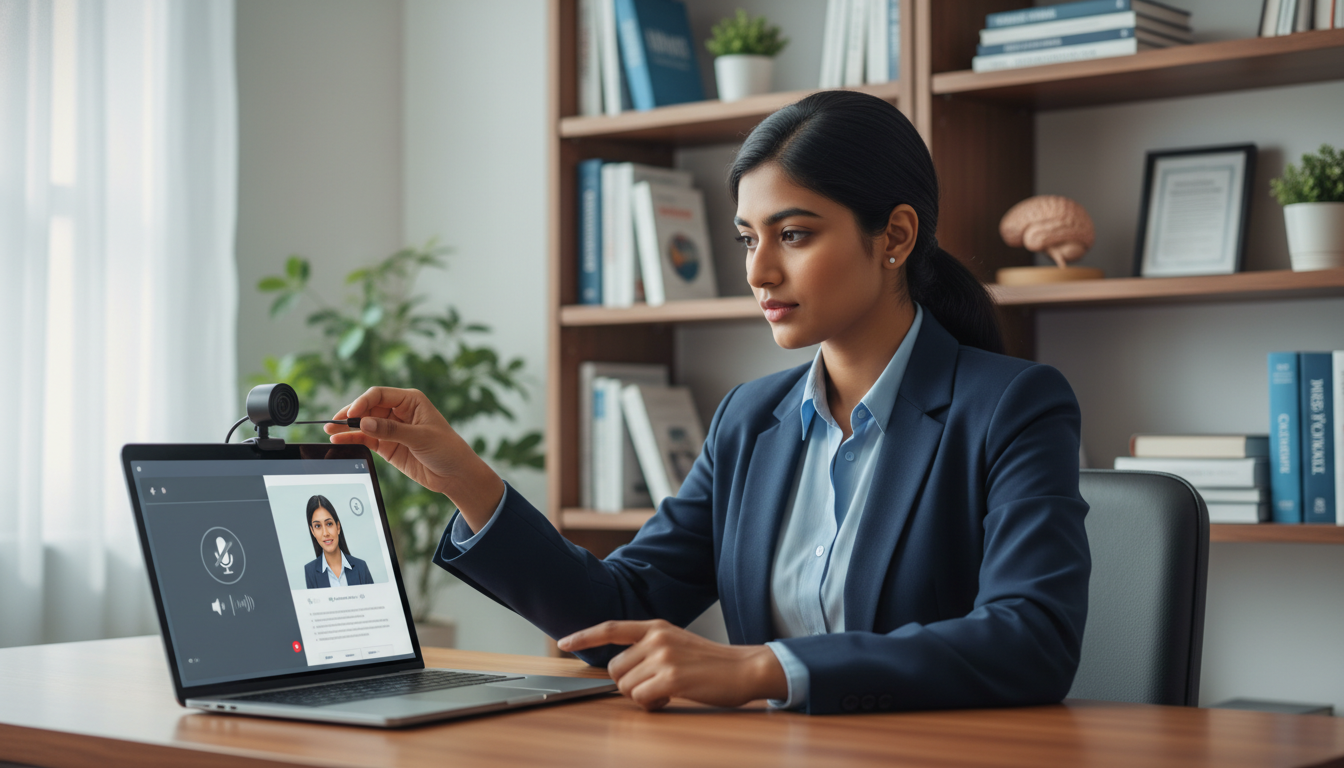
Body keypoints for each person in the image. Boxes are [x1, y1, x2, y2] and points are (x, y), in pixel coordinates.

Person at [324, 91, 1090, 715]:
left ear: (893, 236)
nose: (758, 272)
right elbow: (615, 615)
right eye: (746, 239)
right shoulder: (749, 421)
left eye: (792, 234)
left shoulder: (1014, 405)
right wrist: (464, 477)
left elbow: (1031, 640)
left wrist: (768, 668)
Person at [303, 494, 375, 589]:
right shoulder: (310, 571)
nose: (325, 533)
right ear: (312, 531)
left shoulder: (361, 567)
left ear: (338, 526)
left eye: (329, 524)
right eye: (317, 526)